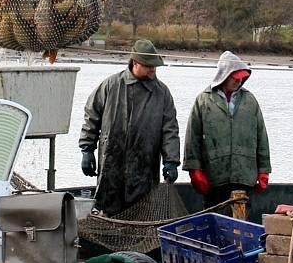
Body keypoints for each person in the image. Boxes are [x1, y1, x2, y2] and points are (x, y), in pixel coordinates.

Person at [79, 39, 180, 217]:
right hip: (112, 164)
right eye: (149, 65)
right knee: (109, 213)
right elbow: (91, 116)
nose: (153, 69)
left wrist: (171, 161)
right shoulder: (111, 85)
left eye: (155, 66)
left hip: (145, 168)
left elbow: (170, 130)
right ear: (135, 63)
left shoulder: (162, 93)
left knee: (142, 213)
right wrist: (87, 150)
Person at [183, 51, 271, 211]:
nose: (238, 81)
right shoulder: (203, 100)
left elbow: (261, 137)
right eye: (234, 77)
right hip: (214, 176)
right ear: (224, 75)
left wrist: (264, 170)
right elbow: (192, 138)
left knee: (241, 222)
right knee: (213, 217)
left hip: (244, 175)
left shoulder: (250, 101)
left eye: (241, 77)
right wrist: (194, 169)